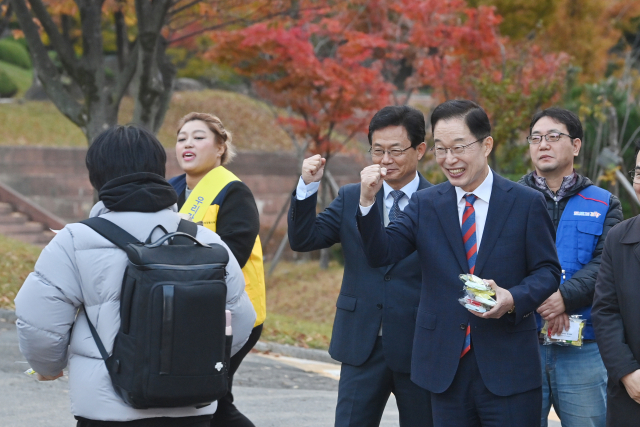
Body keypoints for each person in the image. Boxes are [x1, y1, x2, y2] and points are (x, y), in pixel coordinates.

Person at [14, 125, 256, 426]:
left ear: (96, 176)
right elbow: (242, 319)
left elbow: (40, 323)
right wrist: (193, 364)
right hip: (191, 409)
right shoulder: (205, 240)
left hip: (109, 410)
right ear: (158, 169)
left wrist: (48, 367)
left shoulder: (75, 240)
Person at [357, 99, 561, 427]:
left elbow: (548, 271)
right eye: (440, 149)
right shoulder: (426, 204)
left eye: (459, 147)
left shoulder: (525, 203)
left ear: (486, 145)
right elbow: (383, 253)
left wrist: (512, 299)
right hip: (444, 367)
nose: (449, 160)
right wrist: (367, 202)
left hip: (508, 366)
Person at [288, 105, 433, 426]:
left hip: (418, 345)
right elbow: (304, 240)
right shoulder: (352, 196)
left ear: (420, 149)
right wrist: (307, 187)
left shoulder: (438, 200)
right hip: (361, 342)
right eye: (378, 150)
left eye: (396, 150)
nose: (385, 159)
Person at [518, 107, 622, 427]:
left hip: (584, 347)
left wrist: (565, 297)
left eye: (553, 136)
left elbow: (605, 264)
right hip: (522, 344)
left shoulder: (604, 202)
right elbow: (500, 260)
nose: (543, 144)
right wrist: (545, 302)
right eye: (536, 138)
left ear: (575, 146)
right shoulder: (509, 198)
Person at [168, 112, 265, 427]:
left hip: (234, 313)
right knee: (208, 401)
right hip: (189, 309)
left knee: (212, 400)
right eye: (182, 138)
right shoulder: (169, 192)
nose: (187, 144)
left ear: (221, 147)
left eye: (198, 137)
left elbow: (233, 254)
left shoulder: (233, 192)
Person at [592, 143, 640, 427]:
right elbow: (606, 311)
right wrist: (626, 372)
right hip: (631, 394)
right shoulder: (619, 237)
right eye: (639, 172)